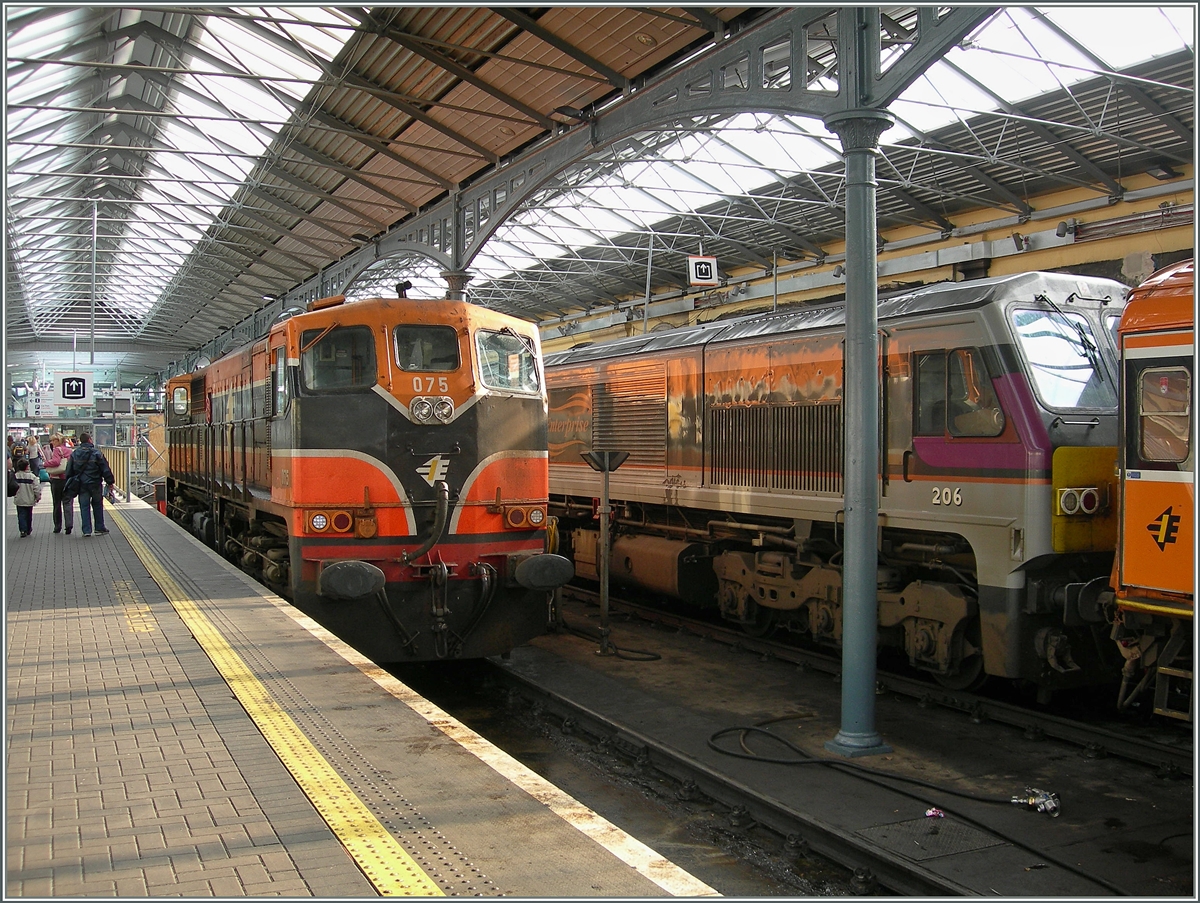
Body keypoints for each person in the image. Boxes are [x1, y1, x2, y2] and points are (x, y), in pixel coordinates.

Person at [63, 432, 114, 537]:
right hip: (95, 483)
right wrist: (110, 482)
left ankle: (86, 530)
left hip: (81, 484)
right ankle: (99, 528)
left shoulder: (75, 453)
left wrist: (71, 480)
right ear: (90, 440)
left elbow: (68, 471)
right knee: (97, 505)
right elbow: (105, 469)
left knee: (84, 506)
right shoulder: (97, 453)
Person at [44, 434, 75, 535]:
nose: (52, 443)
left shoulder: (57, 450)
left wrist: (45, 463)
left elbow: (56, 462)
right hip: (67, 479)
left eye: (53, 441)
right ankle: (69, 525)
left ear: (58, 441)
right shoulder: (69, 450)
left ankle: (57, 526)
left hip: (57, 479)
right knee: (68, 502)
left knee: (57, 503)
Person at [12, 457, 42, 538]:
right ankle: (28, 529)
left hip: (19, 499)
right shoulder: (32, 477)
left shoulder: (15, 476)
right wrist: (38, 497)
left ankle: (22, 529)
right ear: (27, 466)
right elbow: (36, 488)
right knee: (29, 515)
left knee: (21, 515)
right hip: (29, 499)